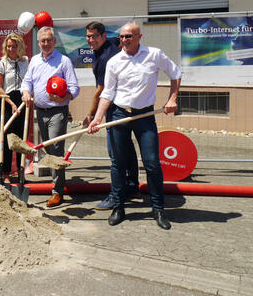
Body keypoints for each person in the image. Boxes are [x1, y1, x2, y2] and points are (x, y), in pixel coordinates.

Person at [88, 22, 182, 230]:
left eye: (128, 36)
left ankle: (158, 209)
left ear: (140, 36)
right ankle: (119, 207)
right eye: (121, 37)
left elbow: (175, 74)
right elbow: (107, 93)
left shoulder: (154, 55)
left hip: (145, 115)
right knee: (118, 164)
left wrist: (172, 99)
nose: (124, 40)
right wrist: (97, 118)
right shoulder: (114, 62)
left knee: (152, 163)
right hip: (120, 114)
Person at [82, 21, 140, 210]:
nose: (91, 40)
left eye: (94, 36)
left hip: (116, 107)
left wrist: (91, 115)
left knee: (115, 152)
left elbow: (101, 90)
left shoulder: (105, 58)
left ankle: (118, 194)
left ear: (103, 35)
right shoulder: (113, 43)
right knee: (127, 147)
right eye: (88, 37)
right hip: (127, 103)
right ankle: (132, 185)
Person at [21, 26, 80, 207]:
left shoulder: (64, 61)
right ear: (38, 43)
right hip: (40, 111)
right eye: (42, 41)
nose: (46, 43)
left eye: (49, 40)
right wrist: (25, 92)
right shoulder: (35, 60)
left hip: (57, 112)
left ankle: (57, 191)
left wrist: (64, 97)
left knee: (55, 148)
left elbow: (74, 88)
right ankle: (58, 184)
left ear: (54, 42)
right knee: (48, 149)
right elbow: (28, 81)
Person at [0, 32, 29, 180]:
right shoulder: (1, 64)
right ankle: (6, 172)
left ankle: (21, 171)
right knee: (8, 138)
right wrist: (12, 103)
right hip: (7, 101)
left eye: (13, 47)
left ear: (19, 47)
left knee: (21, 138)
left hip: (22, 100)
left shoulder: (25, 61)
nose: (11, 49)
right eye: (8, 46)